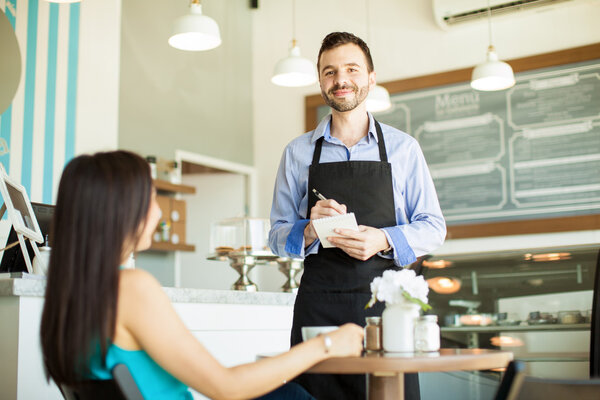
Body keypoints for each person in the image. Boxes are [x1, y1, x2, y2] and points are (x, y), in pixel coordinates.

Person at [40, 150, 364, 400]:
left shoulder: (73, 294)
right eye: (151, 199)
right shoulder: (130, 289)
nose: (158, 212)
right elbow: (226, 388)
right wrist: (328, 344)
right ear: (120, 211)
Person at [268, 32, 446, 400]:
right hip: (319, 305)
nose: (341, 80)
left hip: (386, 306)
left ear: (371, 78)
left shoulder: (403, 149)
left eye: (352, 69)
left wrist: (382, 239)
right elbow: (276, 236)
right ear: (320, 81)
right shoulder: (297, 153)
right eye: (330, 72)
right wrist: (310, 229)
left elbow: (434, 228)